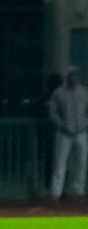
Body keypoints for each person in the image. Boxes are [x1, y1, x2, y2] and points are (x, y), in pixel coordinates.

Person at [48, 66, 88, 203]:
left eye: (76, 75)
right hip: (64, 133)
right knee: (60, 163)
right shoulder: (58, 93)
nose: (75, 78)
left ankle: (79, 191)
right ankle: (56, 193)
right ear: (67, 77)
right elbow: (53, 113)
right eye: (72, 75)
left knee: (81, 162)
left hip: (81, 132)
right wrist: (62, 125)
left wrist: (85, 123)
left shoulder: (84, 92)